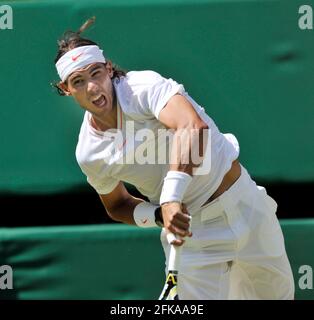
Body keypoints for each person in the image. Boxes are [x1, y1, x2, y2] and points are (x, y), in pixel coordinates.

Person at [53, 17, 295, 299]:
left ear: (108, 69)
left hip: (247, 206)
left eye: (96, 73)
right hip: (194, 239)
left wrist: (170, 198)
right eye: (79, 81)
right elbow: (117, 204)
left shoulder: (142, 87)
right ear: (66, 89)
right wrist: (158, 215)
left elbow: (192, 126)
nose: (92, 87)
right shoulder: (90, 153)